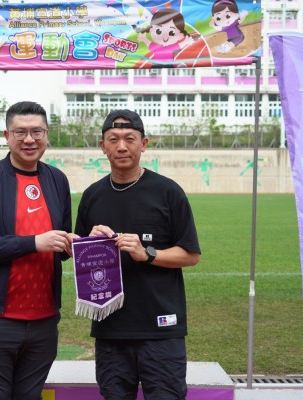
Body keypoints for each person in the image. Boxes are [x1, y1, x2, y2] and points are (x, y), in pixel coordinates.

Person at [74, 109, 201, 400]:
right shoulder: (92, 196)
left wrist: (148, 254)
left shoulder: (168, 192)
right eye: (113, 139)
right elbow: (79, 256)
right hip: (111, 331)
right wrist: (89, 243)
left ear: (143, 144)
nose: (121, 146)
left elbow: (190, 254)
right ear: (102, 146)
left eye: (129, 139)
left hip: (161, 330)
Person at [0, 101, 74, 400]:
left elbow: (60, 245)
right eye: (20, 132)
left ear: (46, 134)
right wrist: (34, 242)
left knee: (30, 395)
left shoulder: (57, 180)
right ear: (6, 136)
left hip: (44, 320)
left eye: (37, 132)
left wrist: (75, 244)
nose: (29, 139)